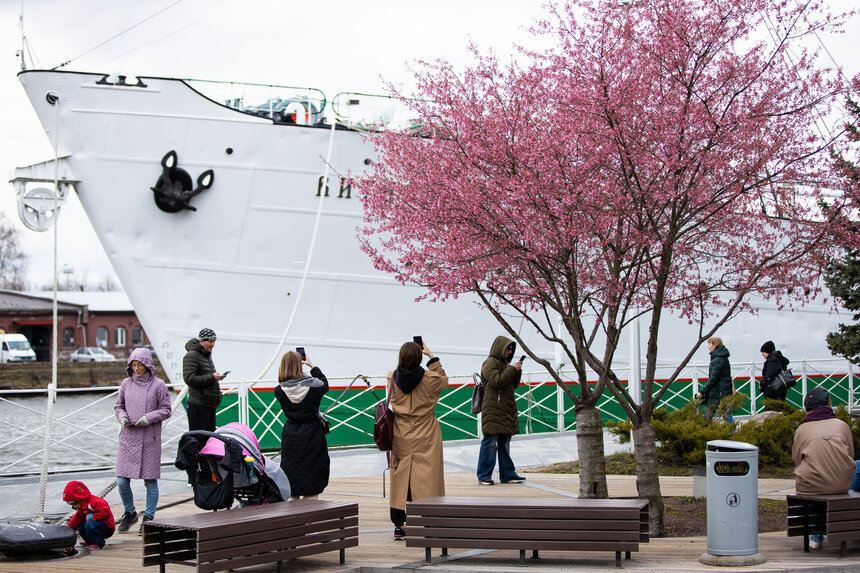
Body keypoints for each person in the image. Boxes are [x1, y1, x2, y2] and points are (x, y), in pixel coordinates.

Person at [389, 340, 447, 540]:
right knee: (427, 475)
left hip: (400, 431)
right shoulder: (431, 380)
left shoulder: (392, 378)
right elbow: (444, 379)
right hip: (426, 431)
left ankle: (399, 524)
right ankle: (428, 519)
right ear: (420, 357)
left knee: (400, 475)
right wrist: (432, 357)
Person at [114, 347, 172, 535]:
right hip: (128, 438)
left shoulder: (159, 385)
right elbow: (118, 406)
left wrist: (149, 418)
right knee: (122, 480)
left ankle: (148, 517)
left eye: (140, 365)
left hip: (149, 440)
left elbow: (166, 409)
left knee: (150, 482)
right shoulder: (125, 383)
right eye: (134, 365)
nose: (137, 369)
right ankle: (130, 512)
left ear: (148, 365)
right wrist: (122, 418)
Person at [792, 386, 856, 549]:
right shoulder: (842, 425)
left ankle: (816, 537)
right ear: (828, 404)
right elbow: (851, 454)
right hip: (841, 485)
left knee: (808, 491)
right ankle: (847, 523)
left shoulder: (802, 430)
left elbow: (796, 459)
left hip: (811, 485)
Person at [274, 350, 330, 499]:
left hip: (291, 435)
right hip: (312, 433)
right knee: (313, 480)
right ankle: (311, 518)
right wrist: (312, 366)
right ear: (300, 366)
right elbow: (324, 383)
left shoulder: (279, 391)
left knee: (293, 478)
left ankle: (295, 519)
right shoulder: (314, 387)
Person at [476, 335, 526, 486]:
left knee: (504, 441)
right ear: (500, 347)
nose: (509, 352)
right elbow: (497, 381)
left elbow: (512, 384)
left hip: (505, 407)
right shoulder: (489, 363)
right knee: (490, 441)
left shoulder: (505, 364)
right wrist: (512, 369)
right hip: (493, 408)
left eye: (511, 349)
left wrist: (517, 371)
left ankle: (507, 474)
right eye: (508, 348)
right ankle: (484, 475)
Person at [183, 328, 226, 432]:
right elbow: (189, 378)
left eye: (214, 341)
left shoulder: (206, 355)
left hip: (208, 404)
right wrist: (213, 377)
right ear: (202, 341)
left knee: (208, 438)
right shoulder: (192, 355)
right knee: (199, 439)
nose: (213, 344)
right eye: (210, 341)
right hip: (199, 405)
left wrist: (215, 378)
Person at [63, 480, 115, 550]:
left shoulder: (96, 502)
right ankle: (90, 542)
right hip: (94, 525)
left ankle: (98, 543)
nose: (74, 507)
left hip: (107, 527)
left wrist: (91, 516)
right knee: (81, 524)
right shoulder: (81, 509)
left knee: (90, 523)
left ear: (80, 500)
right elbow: (75, 520)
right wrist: (69, 530)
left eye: (75, 504)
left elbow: (105, 513)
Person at [695, 336, 732, 420]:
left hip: (718, 392)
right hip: (722, 391)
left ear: (715, 345)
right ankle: (732, 431)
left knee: (708, 416)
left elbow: (713, 379)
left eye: (710, 344)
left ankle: (706, 431)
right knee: (726, 414)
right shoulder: (723, 358)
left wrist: (702, 391)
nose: (708, 346)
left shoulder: (717, 360)